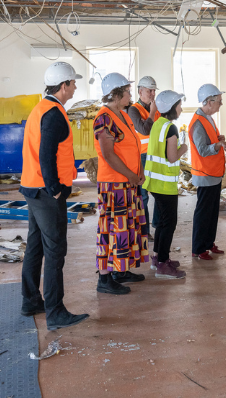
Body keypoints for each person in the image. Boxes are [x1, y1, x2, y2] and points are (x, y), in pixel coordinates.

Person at [19, 62, 90, 330]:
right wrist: (56, 189)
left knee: (36, 246)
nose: (75, 88)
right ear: (63, 86)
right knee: (55, 250)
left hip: (32, 187)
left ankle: (31, 301)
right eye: (73, 83)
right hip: (46, 192)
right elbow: (47, 155)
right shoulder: (54, 114)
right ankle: (55, 312)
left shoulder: (41, 109)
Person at [93, 72, 150, 295]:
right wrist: (130, 175)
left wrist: (139, 172)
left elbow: (133, 147)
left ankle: (121, 269)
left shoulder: (122, 115)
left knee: (126, 229)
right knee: (112, 230)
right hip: (114, 184)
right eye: (127, 91)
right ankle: (105, 279)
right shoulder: (104, 117)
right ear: (116, 94)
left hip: (127, 182)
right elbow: (109, 155)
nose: (130, 95)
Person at [142, 90, 188, 280]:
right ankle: (163, 264)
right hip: (165, 184)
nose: (181, 108)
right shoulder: (171, 128)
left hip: (154, 182)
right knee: (169, 223)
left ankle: (157, 258)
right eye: (179, 105)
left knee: (161, 222)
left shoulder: (157, 124)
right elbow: (171, 156)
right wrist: (183, 148)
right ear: (171, 107)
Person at [189, 84, 226, 260]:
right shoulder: (198, 123)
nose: (221, 104)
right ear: (208, 102)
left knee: (212, 212)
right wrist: (219, 144)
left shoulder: (208, 118)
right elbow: (202, 150)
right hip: (205, 174)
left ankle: (208, 243)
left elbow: (209, 142)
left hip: (213, 174)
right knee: (204, 213)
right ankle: (198, 248)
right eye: (219, 101)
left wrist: (218, 139)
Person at [128, 76, 160, 238]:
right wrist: (152, 113)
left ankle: (157, 224)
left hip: (156, 155)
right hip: (141, 156)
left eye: (154, 90)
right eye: (149, 91)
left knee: (160, 191)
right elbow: (144, 130)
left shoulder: (157, 108)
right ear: (140, 91)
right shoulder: (133, 110)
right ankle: (144, 231)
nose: (153, 94)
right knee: (144, 195)